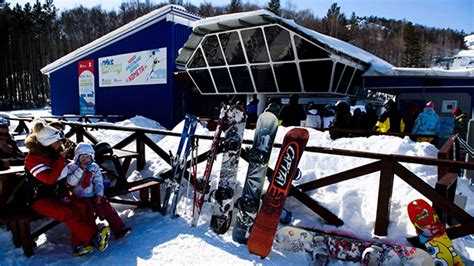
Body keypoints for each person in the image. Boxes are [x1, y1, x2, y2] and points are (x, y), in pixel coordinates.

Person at [24, 119, 110, 256]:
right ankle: (94, 238)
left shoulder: (52, 153)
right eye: (58, 141)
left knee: (81, 206)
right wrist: (61, 158)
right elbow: (49, 179)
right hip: (39, 199)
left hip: (57, 194)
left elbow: (63, 170)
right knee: (67, 212)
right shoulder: (32, 159)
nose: (61, 143)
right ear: (48, 143)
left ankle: (79, 245)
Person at [60, 143, 132, 240]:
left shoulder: (94, 167)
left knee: (107, 207)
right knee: (89, 213)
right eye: (83, 158)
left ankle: (119, 228)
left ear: (92, 157)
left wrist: (99, 195)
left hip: (94, 193)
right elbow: (70, 182)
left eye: (88, 157)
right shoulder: (72, 167)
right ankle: (93, 235)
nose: (85, 160)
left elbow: (98, 182)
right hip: (80, 196)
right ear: (77, 157)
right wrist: (80, 170)